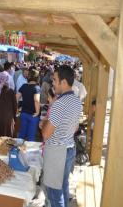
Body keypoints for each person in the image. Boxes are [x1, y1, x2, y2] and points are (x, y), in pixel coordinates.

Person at [41, 65, 82, 207]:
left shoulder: (59, 104)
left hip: (57, 153)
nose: (53, 83)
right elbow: (75, 127)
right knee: (63, 187)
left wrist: (44, 123)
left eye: (55, 80)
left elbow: (46, 134)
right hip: (69, 149)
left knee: (54, 194)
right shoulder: (77, 101)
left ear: (64, 82)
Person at [17, 69, 41, 141]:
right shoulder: (37, 88)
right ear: (37, 78)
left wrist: (16, 109)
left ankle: (17, 150)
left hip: (23, 113)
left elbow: (16, 97)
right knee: (31, 138)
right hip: (33, 116)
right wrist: (37, 112)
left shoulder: (24, 86)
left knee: (21, 135)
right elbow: (36, 100)